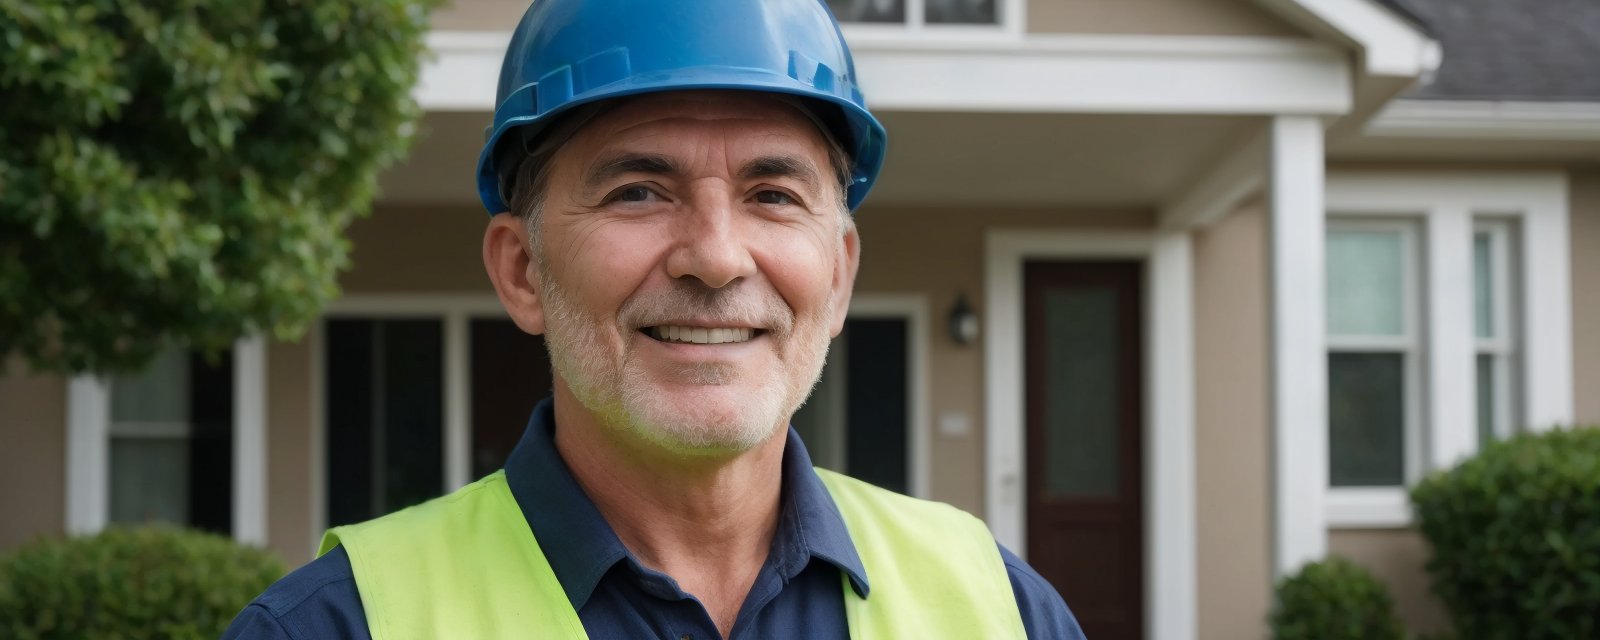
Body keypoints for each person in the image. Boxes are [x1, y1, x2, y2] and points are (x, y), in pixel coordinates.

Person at [224, 1, 1086, 638]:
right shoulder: (334, 625)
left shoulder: (999, 609)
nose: (715, 257)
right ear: (521, 270)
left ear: (841, 275)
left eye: (773, 195)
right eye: (638, 191)